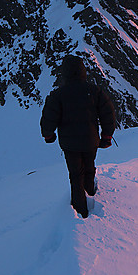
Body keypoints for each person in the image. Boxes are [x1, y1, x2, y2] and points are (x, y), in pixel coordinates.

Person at [41, 55, 116, 218]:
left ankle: (80, 210)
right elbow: (108, 114)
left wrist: (49, 136)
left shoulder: (58, 95)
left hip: (70, 144)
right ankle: (90, 190)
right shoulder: (94, 91)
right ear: (83, 71)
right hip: (91, 141)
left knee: (75, 175)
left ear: (65, 73)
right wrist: (106, 136)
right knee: (89, 166)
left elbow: (49, 117)